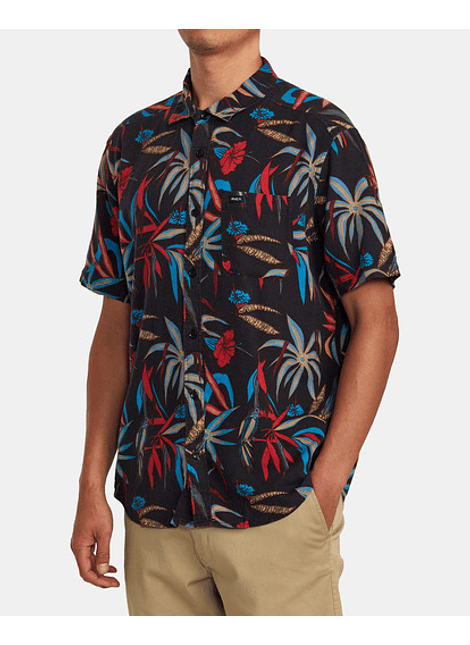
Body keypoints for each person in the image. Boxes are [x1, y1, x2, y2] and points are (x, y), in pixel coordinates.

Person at [71, 29, 401, 616]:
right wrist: (90, 484)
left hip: (280, 508)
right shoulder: (131, 144)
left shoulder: (321, 132)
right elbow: (116, 327)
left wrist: (326, 485)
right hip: (155, 509)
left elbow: (376, 319)